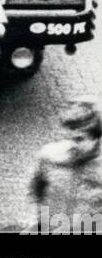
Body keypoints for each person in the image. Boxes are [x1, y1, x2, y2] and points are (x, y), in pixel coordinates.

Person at [28, 98, 102, 233]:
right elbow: (38, 190)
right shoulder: (49, 157)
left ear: (95, 138)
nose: (72, 145)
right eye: (68, 138)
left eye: (79, 139)